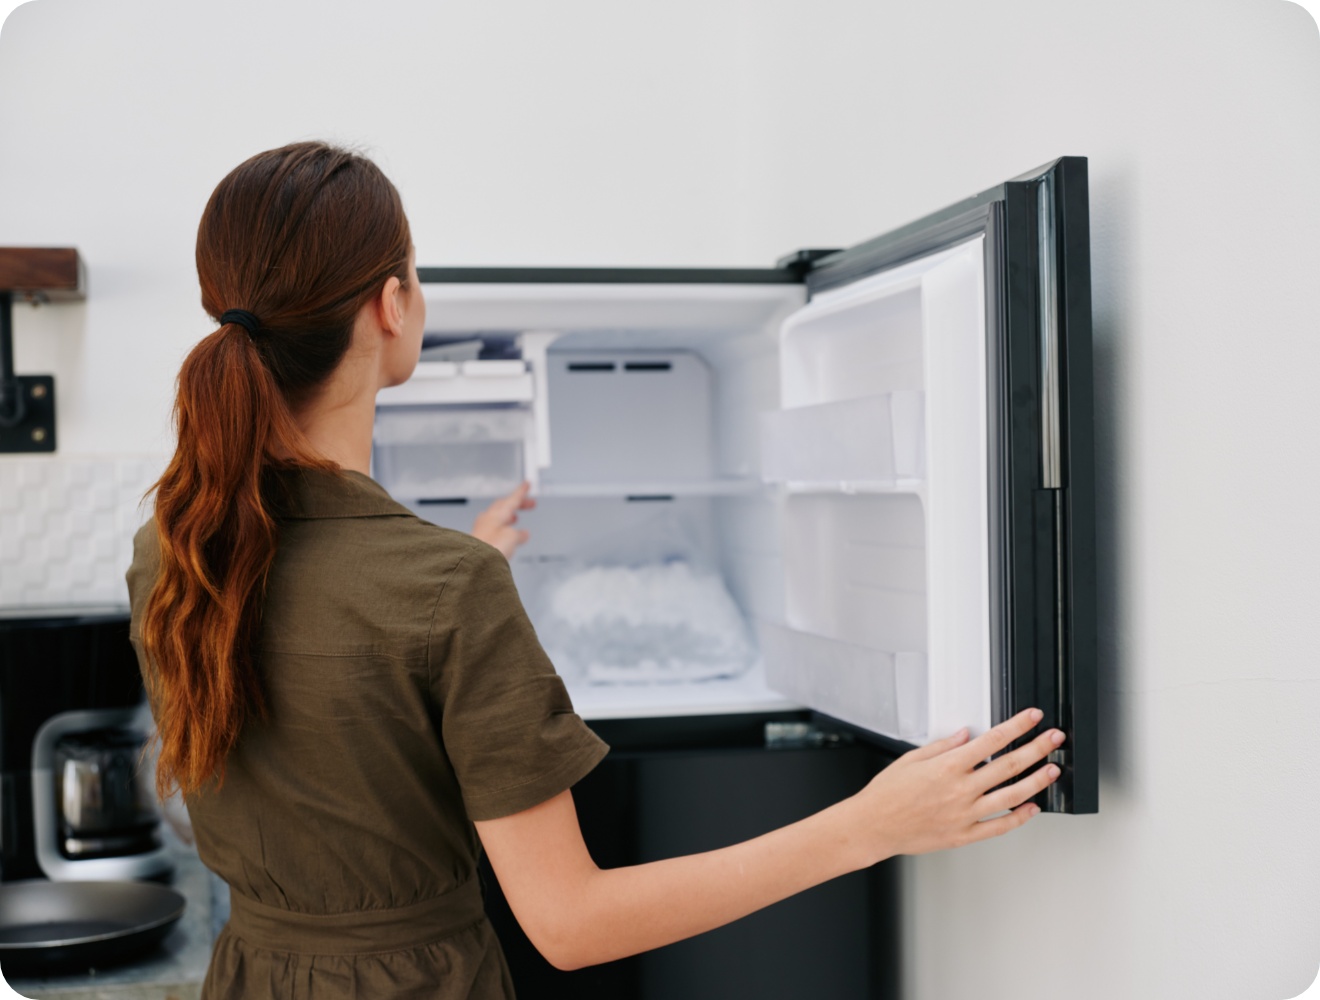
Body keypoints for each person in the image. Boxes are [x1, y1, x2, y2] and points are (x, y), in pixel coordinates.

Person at [126, 141, 1065, 1000]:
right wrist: (869, 826)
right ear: (392, 302)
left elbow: (329, 658)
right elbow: (572, 923)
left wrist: (455, 578)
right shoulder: (443, 591)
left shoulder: (175, 550)